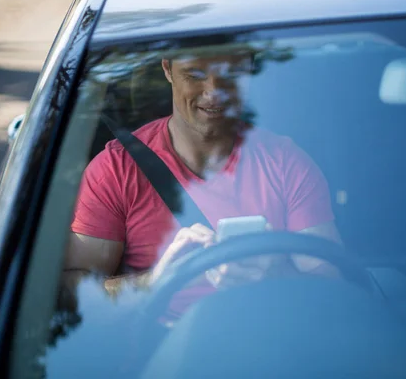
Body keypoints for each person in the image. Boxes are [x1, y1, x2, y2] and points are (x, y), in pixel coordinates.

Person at [64, 51, 342, 318]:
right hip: (162, 353)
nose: (213, 91)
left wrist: (278, 276)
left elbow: (334, 291)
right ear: (167, 69)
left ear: (247, 72)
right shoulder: (115, 170)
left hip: (274, 343)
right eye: (195, 74)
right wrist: (156, 281)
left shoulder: (285, 163)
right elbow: (74, 296)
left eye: (230, 73)